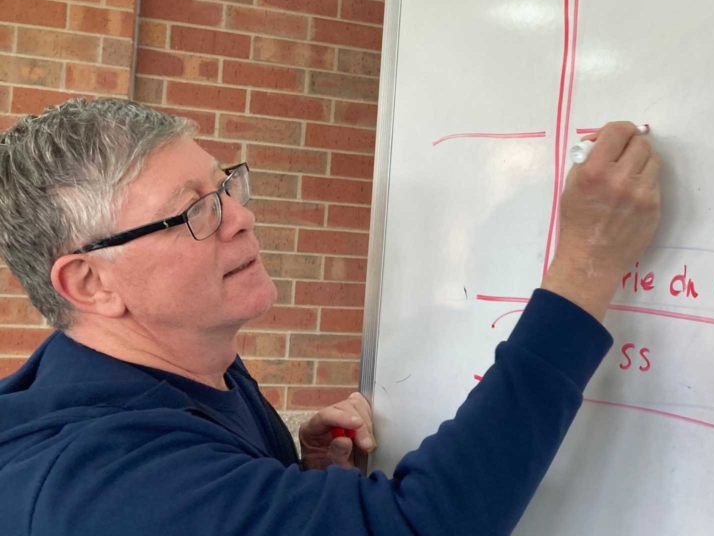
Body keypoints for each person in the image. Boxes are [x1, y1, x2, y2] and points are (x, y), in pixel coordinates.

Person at [0, 98, 661, 535]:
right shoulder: (100, 482)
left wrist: (297, 482)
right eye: (195, 210)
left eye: (225, 185)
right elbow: (423, 526)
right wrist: (586, 264)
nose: (241, 217)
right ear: (90, 282)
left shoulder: (190, 368)